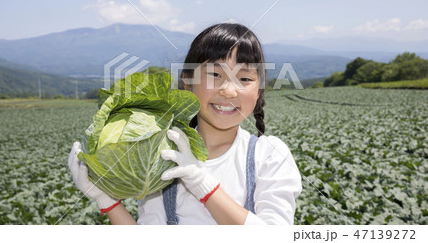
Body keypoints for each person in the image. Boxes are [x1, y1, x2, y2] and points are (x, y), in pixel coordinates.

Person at [68, 23, 302, 225]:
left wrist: (202, 183)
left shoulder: (269, 155)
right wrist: (107, 202)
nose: (229, 90)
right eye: (215, 74)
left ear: (259, 90)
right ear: (188, 82)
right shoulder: (160, 155)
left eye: (245, 79)